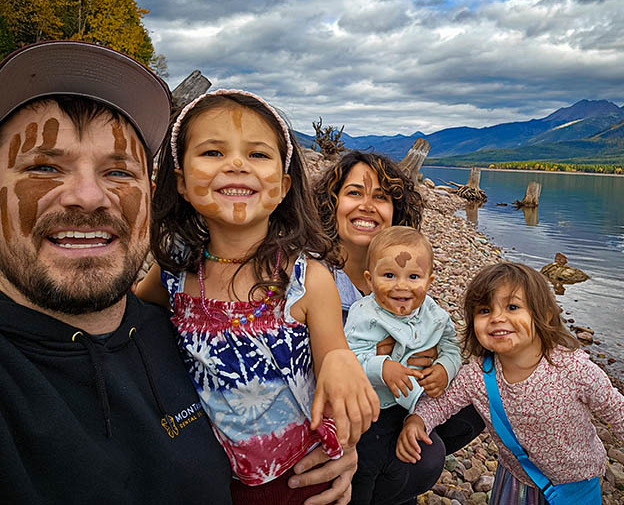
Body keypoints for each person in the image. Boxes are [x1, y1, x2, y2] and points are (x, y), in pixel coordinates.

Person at [0, 41, 359, 505]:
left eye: (118, 172)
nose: (87, 196)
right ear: (183, 185)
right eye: (45, 166)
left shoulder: (157, 322)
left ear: (150, 193)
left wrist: (336, 443)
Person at [136, 88, 379, 503]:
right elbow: (133, 314)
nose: (235, 165)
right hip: (209, 471)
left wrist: (341, 363)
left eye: (258, 155)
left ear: (283, 186)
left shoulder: (307, 279)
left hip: (298, 471)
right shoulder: (176, 270)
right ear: (180, 180)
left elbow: (333, 351)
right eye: (212, 152)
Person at [397, 262, 624, 505]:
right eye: (484, 310)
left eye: (512, 307)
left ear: (543, 315)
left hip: (577, 482)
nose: (497, 318)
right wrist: (418, 420)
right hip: (517, 477)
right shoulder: (477, 376)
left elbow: (617, 410)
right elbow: (443, 402)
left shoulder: (572, 368)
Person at [313, 151, 485, 504]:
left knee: (481, 396)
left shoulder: (413, 289)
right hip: (348, 407)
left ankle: (398, 461)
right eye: (354, 193)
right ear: (333, 203)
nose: (367, 206)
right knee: (422, 458)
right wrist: (380, 358)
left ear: (396, 210)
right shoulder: (313, 277)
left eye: (380, 197)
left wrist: (440, 364)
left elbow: (448, 345)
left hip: (406, 398)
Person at [344, 226, 462, 504]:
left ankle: (400, 494)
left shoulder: (435, 314)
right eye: (389, 276)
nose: (401, 286)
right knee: (364, 466)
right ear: (369, 279)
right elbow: (348, 357)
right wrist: (381, 366)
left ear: (429, 280)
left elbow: (452, 347)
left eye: (413, 277)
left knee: (405, 459)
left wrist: (445, 368)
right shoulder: (364, 314)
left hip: (411, 406)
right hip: (370, 412)